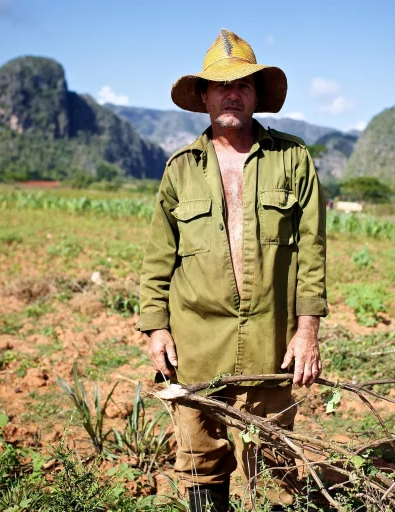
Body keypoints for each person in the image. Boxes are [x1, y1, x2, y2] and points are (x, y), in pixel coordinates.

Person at [137, 28, 328, 511]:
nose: (232, 93)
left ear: (256, 95)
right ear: (203, 96)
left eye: (243, 84)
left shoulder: (293, 159)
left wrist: (307, 332)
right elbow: (159, 255)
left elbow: (312, 251)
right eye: (221, 85)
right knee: (200, 458)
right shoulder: (180, 168)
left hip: (271, 343)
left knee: (273, 458)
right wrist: (155, 327)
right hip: (196, 343)